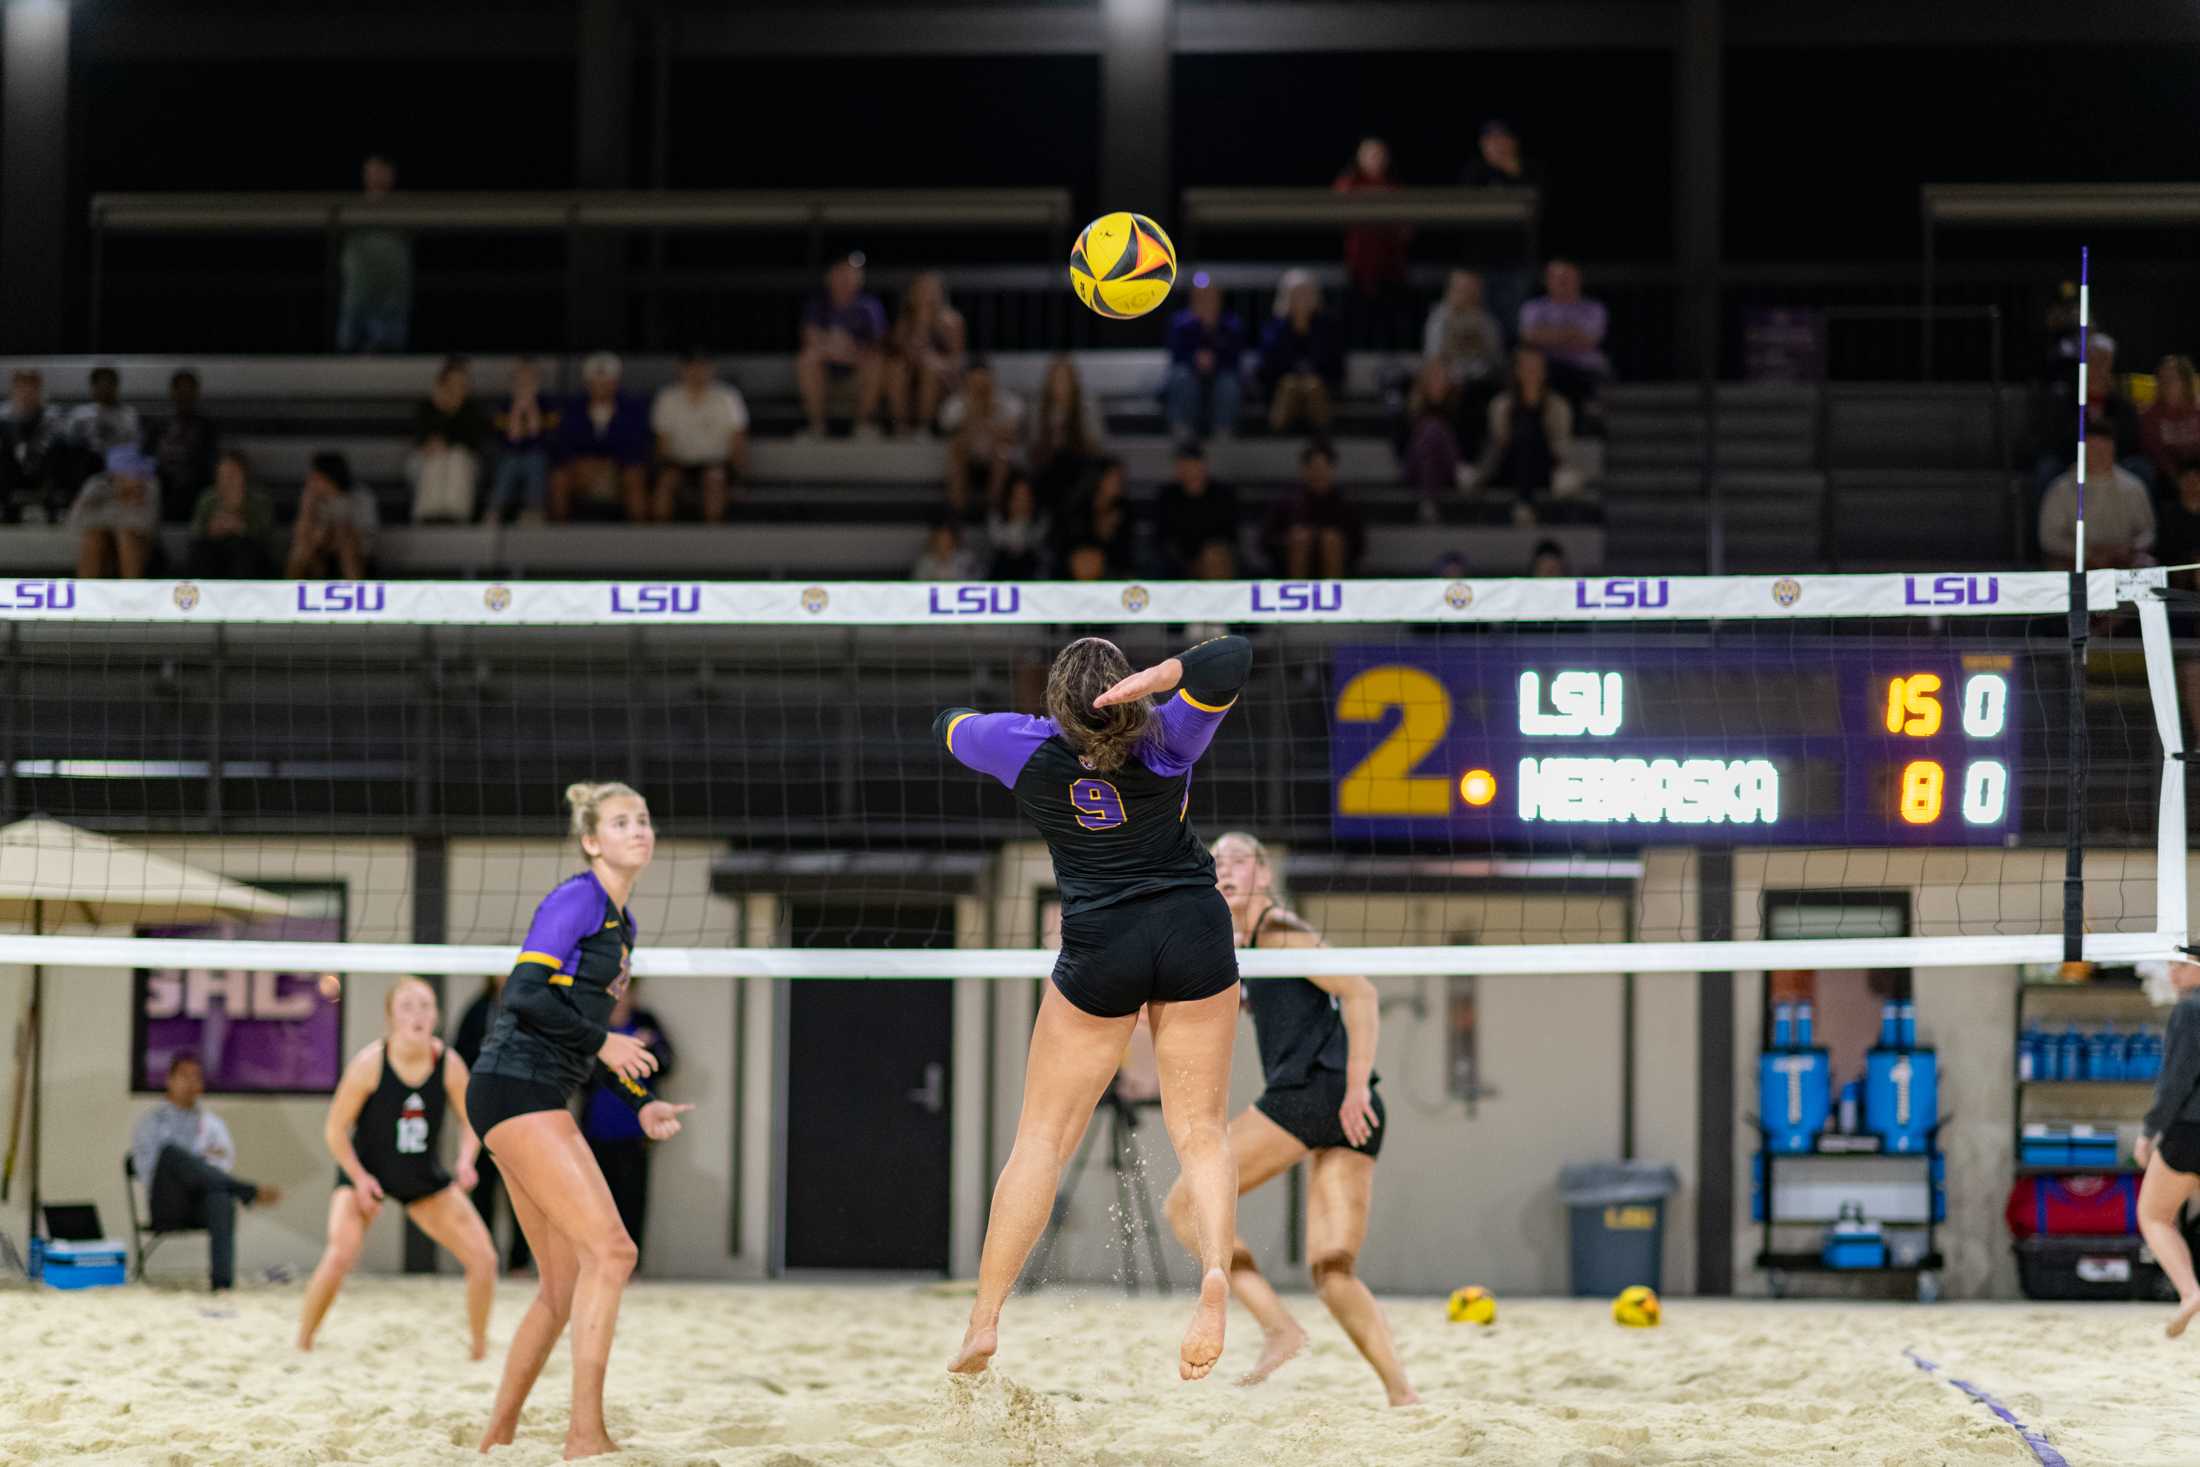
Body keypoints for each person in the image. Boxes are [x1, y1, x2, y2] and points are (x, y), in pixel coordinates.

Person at [934, 633, 1255, 1380]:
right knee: (1201, 1130)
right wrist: (1161, 677)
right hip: (1189, 928)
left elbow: (945, 723)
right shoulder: (1170, 733)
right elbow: (1231, 656)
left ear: (1056, 705)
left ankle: (984, 1322)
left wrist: (1028, 725)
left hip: (1100, 941)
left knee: (1040, 1138)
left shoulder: (1022, 746)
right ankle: (1213, 1274)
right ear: (1128, 692)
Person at [468, 781, 691, 1460]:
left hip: (527, 1091)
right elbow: (525, 992)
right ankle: (584, 1435)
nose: (639, 830)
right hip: (516, 1086)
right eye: (622, 822)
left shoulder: (623, 925)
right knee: (614, 1251)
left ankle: (497, 1436)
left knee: (561, 1288)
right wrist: (602, 1042)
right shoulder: (577, 899)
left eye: (645, 820)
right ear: (592, 839)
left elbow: (583, 1036)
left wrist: (637, 1100)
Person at [1173, 833, 1417, 1407]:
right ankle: (1403, 1395)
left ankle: (1277, 1327)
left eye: (1239, 858)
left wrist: (1356, 1084)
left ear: (1264, 875)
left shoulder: (1281, 933)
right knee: (1333, 1271)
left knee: (1186, 1206)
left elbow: (1361, 995)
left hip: (1319, 1093)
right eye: (1217, 860)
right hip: (1349, 1109)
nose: (1224, 866)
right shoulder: (1242, 946)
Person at [298, 978, 498, 1357]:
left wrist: (466, 1161)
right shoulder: (369, 1063)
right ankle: (303, 1341)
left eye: (425, 1006)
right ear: (391, 1017)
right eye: (407, 1006)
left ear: (436, 1016)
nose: (418, 1014)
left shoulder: (449, 1064)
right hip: (367, 1172)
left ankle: (478, 1349)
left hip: (421, 1177)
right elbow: (335, 1131)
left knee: (484, 1259)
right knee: (340, 1253)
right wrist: (358, 1179)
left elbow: (472, 1121)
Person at [129, 1053, 284, 1292]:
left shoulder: (213, 1125)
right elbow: (149, 1172)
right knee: (171, 1155)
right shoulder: (152, 1123)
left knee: (221, 1197)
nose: (191, 1083)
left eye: (196, 1077)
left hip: (202, 1204)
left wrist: (196, 1170)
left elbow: (222, 1167)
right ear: (169, 1080)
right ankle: (247, 1191)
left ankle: (222, 1285)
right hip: (167, 1203)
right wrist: (190, 1166)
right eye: (184, 1076)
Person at [580, 976, 677, 1271]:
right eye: (615, 992)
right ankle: (596, 1263)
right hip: (597, 1127)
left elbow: (668, 1063)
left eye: (625, 991)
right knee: (596, 1201)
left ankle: (631, 1267)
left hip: (635, 1129)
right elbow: (583, 1074)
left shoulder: (646, 1022)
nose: (621, 998)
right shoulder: (593, 1025)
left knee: (632, 1199)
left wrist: (648, 1048)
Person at [2136, 959, 2200, 1338]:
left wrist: (2149, 1130)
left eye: (2181, 966)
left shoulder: (2190, 1009)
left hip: (2191, 1130)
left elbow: (2175, 1081)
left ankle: (2190, 1292)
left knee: (2154, 1215)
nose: (2172, 974)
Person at [452, 972, 530, 1273]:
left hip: (520, 1112)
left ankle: (519, 1262)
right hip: (483, 1110)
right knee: (482, 1189)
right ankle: (484, 1259)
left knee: (522, 1190)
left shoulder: (531, 1008)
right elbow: (460, 1055)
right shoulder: (478, 1010)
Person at [1465, 346, 1578, 513]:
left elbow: (1561, 446)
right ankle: (1524, 504)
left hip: (1543, 466)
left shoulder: (1558, 406)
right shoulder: (1501, 405)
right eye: (1526, 368)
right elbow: (1498, 443)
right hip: (1508, 465)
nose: (1531, 373)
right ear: (1517, 371)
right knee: (1524, 435)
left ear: (1544, 372)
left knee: (1530, 436)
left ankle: (1523, 504)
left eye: (1535, 368)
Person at [650, 349, 750, 524]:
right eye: (691, 366)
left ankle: (714, 535)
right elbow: (661, 441)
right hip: (678, 463)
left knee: (714, 478)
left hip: (716, 463)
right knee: (666, 482)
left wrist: (738, 477)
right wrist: (662, 469)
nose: (696, 372)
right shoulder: (667, 397)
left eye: (702, 366)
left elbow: (737, 438)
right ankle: (660, 537)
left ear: (711, 369)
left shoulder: (727, 397)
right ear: (681, 369)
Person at [550, 353, 652, 524]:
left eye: (607, 381)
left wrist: (611, 464)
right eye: (596, 381)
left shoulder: (632, 409)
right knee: (559, 479)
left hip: (620, 469)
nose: (601, 386)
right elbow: (562, 443)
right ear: (587, 383)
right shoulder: (573, 409)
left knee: (634, 477)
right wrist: (581, 463)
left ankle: (640, 537)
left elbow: (638, 443)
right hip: (581, 470)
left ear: (616, 382)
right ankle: (559, 538)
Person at [795, 254, 888, 438]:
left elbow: (879, 346)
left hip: (857, 375)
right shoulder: (818, 305)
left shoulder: (869, 306)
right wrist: (840, 349)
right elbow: (810, 339)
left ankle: (863, 425)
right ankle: (817, 427)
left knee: (876, 362)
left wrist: (846, 350)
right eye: (841, 272)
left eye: (852, 273)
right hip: (827, 374)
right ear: (829, 277)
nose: (847, 278)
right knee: (807, 359)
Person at [2039, 423, 2154, 570]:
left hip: (2123, 560)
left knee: (2146, 564)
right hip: (2076, 562)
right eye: (2093, 449)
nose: (2099, 455)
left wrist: (2128, 548)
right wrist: (2086, 553)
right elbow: (2049, 537)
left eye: (2104, 449)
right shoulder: (2061, 489)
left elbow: (2148, 531)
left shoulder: (2133, 487)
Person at [338, 154, 411, 353]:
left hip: (390, 296)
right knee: (349, 351)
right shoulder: (350, 208)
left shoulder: (405, 209)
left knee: (387, 351)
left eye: (381, 171)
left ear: (391, 175)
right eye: (371, 171)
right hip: (358, 294)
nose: (376, 176)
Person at [1259, 272, 1345, 436]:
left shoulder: (1328, 328)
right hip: (1283, 390)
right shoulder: (1274, 329)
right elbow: (1268, 368)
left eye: (1307, 294)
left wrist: (1313, 378)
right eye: (1297, 294)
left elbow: (1336, 367)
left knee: (1313, 387)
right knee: (1290, 385)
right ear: (1286, 297)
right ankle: (1278, 436)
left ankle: (1321, 437)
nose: (1302, 300)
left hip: (1319, 388)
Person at [1162, 276, 1247, 442]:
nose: (1206, 301)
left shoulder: (1232, 324)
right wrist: (1195, 359)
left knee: (1229, 383)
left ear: (1219, 298)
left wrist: (1214, 359)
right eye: (1201, 297)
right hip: (1190, 374)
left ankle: (1223, 432)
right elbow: (1176, 355)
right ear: (1192, 299)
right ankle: (1182, 431)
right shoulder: (1179, 323)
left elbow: (1235, 356)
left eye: (1210, 297)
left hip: (1221, 375)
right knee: (1181, 377)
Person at [1518, 260, 1612, 409]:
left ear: (1578, 280)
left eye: (1567, 278)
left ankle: (1587, 420)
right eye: (1557, 278)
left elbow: (1589, 340)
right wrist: (1572, 333)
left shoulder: (1594, 308)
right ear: (1547, 280)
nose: (1563, 282)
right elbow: (1529, 337)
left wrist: (1547, 333)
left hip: (1583, 368)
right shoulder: (1533, 307)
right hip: (1546, 368)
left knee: (1589, 380)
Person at [1263, 441, 1363, 579]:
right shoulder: (1285, 503)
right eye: (1313, 468)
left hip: (1339, 563)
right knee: (1300, 540)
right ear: (1303, 469)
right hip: (1289, 563)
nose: (1318, 474)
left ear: (1332, 469)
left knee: (1331, 540)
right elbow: (1266, 541)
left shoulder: (1346, 505)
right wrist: (1290, 540)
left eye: (1323, 468)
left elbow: (1359, 545)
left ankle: (1331, 593)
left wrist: (1332, 541)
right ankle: (1297, 591)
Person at [884, 271, 966, 436]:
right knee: (896, 368)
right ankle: (899, 424)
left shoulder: (952, 321)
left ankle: (924, 426)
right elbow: (900, 351)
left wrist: (933, 360)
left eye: (931, 290)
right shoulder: (905, 321)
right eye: (921, 289)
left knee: (929, 369)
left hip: (942, 376)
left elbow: (956, 362)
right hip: (912, 373)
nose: (926, 294)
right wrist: (922, 322)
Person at [941, 360, 1026, 518]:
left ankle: (993, 508)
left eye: (984, 381)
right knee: (957, 445)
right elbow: (950, 430)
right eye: (975, 382)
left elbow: (1013, 433)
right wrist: (973, 413)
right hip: (968, 460)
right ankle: (956, 511)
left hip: (998, 460)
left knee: (1002, 449)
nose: (980, 387)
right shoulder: (956, 403)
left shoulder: (1008, 402)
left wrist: (988, 418)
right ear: (967, 381)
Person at [410, 356, 487, 525]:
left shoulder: (471, 410)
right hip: (426, 457)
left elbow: (472, 442)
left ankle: (455, 516)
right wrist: (440, 410)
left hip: (463, 460)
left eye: (461, 383)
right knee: (435, 460)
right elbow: (420, 438)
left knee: (456, 458)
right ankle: (427, 515)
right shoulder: (427, 407)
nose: (457, 387)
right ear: (443, 383)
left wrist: (453, 414)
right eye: (452, 382)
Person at [67, 444, 161, 579]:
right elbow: (77, 520)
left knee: (126, 537)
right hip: (99, 542)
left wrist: (119, 526)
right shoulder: (96, 484)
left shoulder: (149, 485)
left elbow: (148, 525)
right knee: (95, 538)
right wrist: (116, 495)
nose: (133, 476)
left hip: (142, 545)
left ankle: (131, 591)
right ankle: (86, 592)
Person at [1333, 137, 1409, 305]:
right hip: (1358, 267)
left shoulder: (1394, 186)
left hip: (1391, 267)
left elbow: (1406, 228)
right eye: (1371, 155)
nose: (1377, 159)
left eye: (1380, 155)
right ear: (1360, 158)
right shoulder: (1349, 183)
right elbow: (1338, 217)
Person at [484, 358, 558, 525]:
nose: (524, 385)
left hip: (537, 455)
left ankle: (533, 510)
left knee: (535, 463)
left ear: (537, 383)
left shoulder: (546, 404)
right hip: (510, 454)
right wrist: (517, 409)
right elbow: (513, 436)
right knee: (508, 465)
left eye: (529, 381)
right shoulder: (504, 406)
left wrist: (531, 407)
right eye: (520, 381)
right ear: (513, 385)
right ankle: (495, 510)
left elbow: (535, 432)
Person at [185, 449, 279, 579]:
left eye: (232, 474)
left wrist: (241, 527)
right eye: (223, 474)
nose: (227, 479)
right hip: (214, 549)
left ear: (244, 475)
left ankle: (242, 596)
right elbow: (195, 532)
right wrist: (211, 529)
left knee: (245, 552)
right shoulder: (208, 499)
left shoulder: (260, 500)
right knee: (202, 552)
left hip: (249, 551)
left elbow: (267, 534)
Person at [1026, 355, 1106, 508]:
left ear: (1074, 382)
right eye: (1056, 379)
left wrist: (1071, 428)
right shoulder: (1039, 409)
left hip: (1079, 466)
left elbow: (1097, 446)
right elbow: (1032, 447)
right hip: (1048, 469)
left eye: (1065, 379)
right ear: (1049, 383)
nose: (1061, 384)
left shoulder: (1087, 407)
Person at [286, 451, 380, 581]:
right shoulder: (310, 496)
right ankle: (289, 590)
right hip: (318, 550)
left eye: (316, 476)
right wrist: (307, 507)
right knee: (303, 546)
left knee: (344, 536)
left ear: (329, 476)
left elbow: (367, 534)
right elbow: (300, 535)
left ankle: (355, 589)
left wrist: (337, 535)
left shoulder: (361, 496)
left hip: (355, 551)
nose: (311, 479)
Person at [1156, 442, 1240, 579]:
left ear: (1202, 465)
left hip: (1216, 555)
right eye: (1182, 465)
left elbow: (1229, 534)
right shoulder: (1167, 496)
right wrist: (1188, 559)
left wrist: (1210, 552)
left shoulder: (1222, 495)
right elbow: (1163, 537)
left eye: (1191, 464)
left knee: (1214, 557)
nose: (1187, 470)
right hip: (1181, 559)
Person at [147, 368, 219, 525]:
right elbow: (147, 458)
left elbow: (211, 461)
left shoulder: (207, 426)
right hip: (163, 485)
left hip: (195, 485)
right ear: (172, 392)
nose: (184, 394)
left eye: (189, 389)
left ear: (196, 393)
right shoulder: (158, 425)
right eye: (180, 389)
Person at [0, 368, 65, 524]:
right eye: (22, 385)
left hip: (41, 467)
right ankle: (8, 508)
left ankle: (52, 505)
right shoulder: (3, 414)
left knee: (59, 448)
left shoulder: (51, 414)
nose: (26, 391)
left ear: (38, 388)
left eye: (31, 386)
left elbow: (53, 444)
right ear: (14, 388)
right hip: (13, 469)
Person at [65, 366, 143, 490]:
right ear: (93, 388)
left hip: (118, 461)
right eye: (100, 385)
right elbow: (68, 439)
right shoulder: (81, 414)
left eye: (108, 385)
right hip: (88, 463)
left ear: (116, 387)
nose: (104, 389)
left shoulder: (128, 414)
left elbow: (133, 443)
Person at [2142, 355, 2200, 488]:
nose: (2166, 383)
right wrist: (2178, 479)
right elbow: (2156, 454)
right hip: (2167, 477)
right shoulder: (2150, 416)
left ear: (2185, 381)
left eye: (2172, 378)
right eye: (2162, 378)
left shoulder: (2197, 411)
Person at [985, 472, 1051, 581]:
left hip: (1032, 573)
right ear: (1008, 498)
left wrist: (1023, 523)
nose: (1021, 502)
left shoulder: (1042, 521)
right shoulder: (995, 519)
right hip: (999, 571)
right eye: (1017, 497)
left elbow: (1034, 545)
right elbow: (997, 543)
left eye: (1026, 497)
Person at [913, 520, 983, 580]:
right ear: (934, 540)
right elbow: (917, 581)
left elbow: (979, 576)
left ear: (953, 539)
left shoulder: (967, 557)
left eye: (947, 538)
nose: (943, 542)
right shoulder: (926, 560)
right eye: (940, 539)